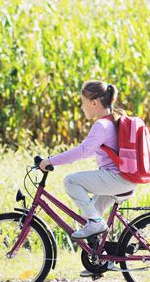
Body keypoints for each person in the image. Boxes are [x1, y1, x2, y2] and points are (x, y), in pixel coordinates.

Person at [39, 80, 136, 244]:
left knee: (70, 181)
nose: (82, 108)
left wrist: (50, 161)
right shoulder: (114, 119)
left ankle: (97, 223)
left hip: (117, 179)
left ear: (94, 103)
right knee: (88, 216)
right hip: (124, 179)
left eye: (83, 103)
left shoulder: (102, 124)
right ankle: (100, 261)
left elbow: (83, 151)